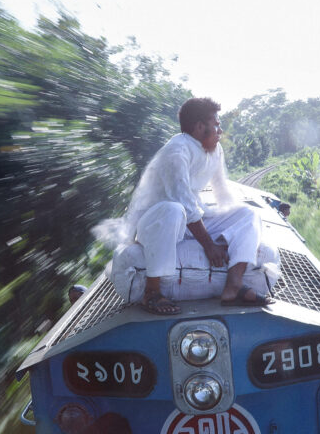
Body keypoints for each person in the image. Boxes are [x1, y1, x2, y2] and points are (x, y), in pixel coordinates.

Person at [117, 97, 273, 314]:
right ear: (200, 127)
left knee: (247, 214)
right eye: (216, 124)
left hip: (185, 222)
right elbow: (184, 202)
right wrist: (209, 245)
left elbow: (223, 194)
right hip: (154, 225)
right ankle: (152, 292)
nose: (220, 130)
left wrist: (239, 234)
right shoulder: (176, 151)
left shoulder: (215, 150)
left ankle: (233, 286)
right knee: (174, 209)